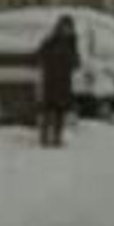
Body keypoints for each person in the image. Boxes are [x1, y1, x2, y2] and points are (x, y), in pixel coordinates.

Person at [37, 15, 79, 147]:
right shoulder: (50, 41)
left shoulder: (72, 43)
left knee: (60, 112)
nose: (67, 30)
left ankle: (57, 137)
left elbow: (76, 63)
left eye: (69, 27)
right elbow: (40, 55)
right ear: (59, 27)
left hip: (64, 82)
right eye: (65, 27)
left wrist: (72, 60)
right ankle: (44, 138)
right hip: (51, 80)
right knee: (48, 110)